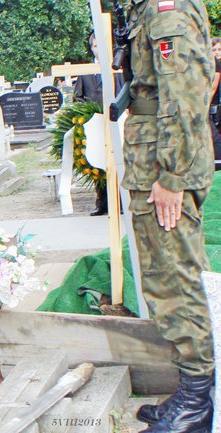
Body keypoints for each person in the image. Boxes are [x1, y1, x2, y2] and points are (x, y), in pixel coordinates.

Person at [121, 1, 216, 432]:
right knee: (166, 275)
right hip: (153, 162)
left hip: (163, 168)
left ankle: (198, 402)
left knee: (177, 277)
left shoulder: (167, 11)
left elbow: (185, 93)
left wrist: (173, 176)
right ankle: (192, 391)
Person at [74, 33, 125, 216]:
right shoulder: (86, 71)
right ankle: (101, 202)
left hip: (113, 121)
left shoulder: (116, 69)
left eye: (101, 46)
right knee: (97, 161)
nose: (98, 50)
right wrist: (86, 111)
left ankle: (119, 201)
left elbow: (122, 91)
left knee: (116, 161)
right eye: (95, 46)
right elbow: (78, 96)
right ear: (91, 48)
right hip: (94, 124)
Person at [211, 37, 221, 169]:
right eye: (214, 49)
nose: (217, 52)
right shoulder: (213, 63)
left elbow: (213, 87)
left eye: (219, 49)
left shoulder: (216, 64)